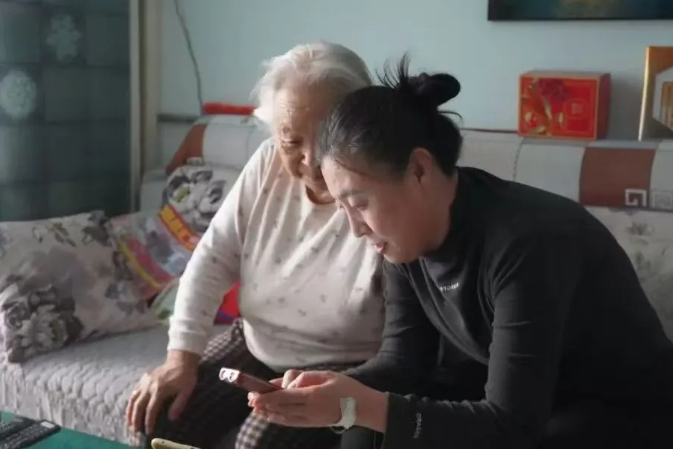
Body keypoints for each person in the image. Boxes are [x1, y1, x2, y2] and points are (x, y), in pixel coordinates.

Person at [247, 57, 673, 449]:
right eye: (342, 207)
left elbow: (512, 426)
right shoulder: (404, 238)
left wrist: (363, 403)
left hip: (615, 410)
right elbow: (403, 363)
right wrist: (327, 388)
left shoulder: (527, 242)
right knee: (362, 428)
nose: (355, 228)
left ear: (419, 169)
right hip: (523, 398)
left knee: (373, 414)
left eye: (359, 203)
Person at [126, 42, 385, 449]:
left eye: (328, 138)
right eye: (291, 141)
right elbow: (211, 260)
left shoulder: (384, 187)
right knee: (155, 417)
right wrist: (180, 358)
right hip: (256, 343)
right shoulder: (266, 163)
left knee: (258, 444)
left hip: (345, 365)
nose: (311, 159)